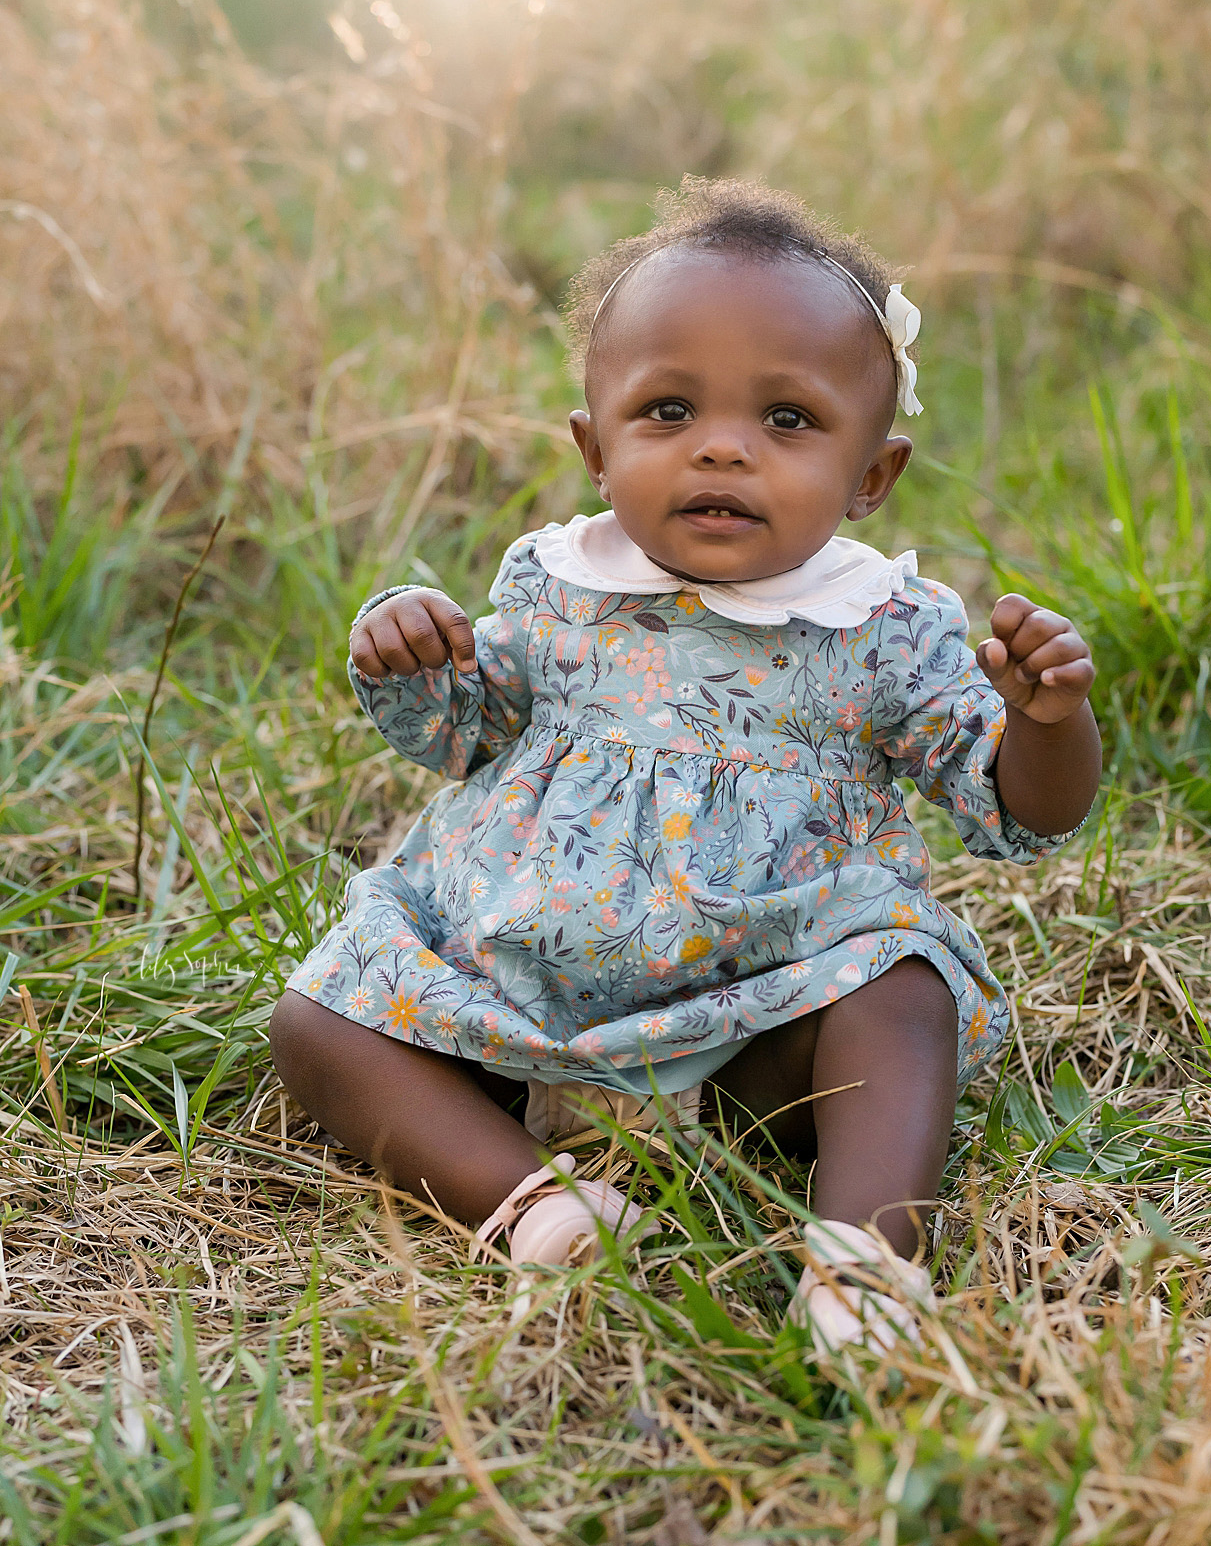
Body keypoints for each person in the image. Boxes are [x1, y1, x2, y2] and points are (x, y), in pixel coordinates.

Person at [268, 178, 1101, 1359]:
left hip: (755, 1029)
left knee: (901, 988)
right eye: (667, 409)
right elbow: (460, 732)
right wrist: (411, 652)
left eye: (789, 421)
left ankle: (863, 1263)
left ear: (873, 476)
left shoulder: (886, 625)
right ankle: (538, 1209)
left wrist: (1048, 721)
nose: (722, 445)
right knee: (318, 1019)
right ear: (594, 447)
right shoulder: (552, 582)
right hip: (504, 1010)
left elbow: (1018, 813)